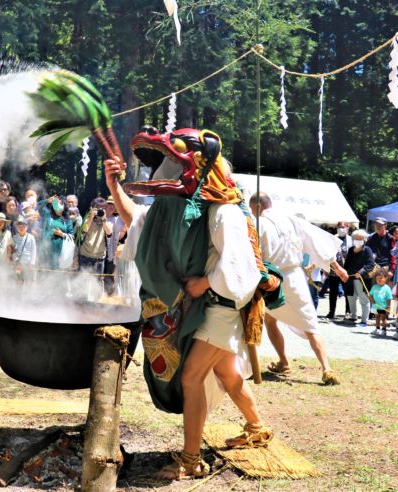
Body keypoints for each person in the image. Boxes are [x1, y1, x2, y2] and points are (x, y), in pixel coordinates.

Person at [103, 128, 284, 481]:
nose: (163, 170)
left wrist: (206, 282)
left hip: (222, 306)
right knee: (226, 373)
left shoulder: (222, 210)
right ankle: (256, 426)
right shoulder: (175, 206)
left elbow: (239, 265)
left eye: (172, 161)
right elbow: (138, 220)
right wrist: (114, 185)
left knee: (191, 377)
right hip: (207, 306)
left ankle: (190, 460)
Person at [249, 192, 348, 385]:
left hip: (272, 279)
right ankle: (319, 366)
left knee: (271, 319)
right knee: (307, 325)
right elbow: (316, 243)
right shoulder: (291, 220)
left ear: (258, 207)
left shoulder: (257, 225)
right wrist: (337, 267)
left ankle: (303, 364)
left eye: (253, 210)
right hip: (293, 278)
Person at [343, 229, 375, 326]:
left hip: (362, 279)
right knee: (351, 298)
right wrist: (344, 273)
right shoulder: (351, 250)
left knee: (363, 299)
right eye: (356, 238)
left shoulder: (367, 250)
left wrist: (361, 272)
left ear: (364, 239)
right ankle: (353, 316)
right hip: (350, 278)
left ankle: (364, 320)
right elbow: (347, 264)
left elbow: (371, 264)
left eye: (360, 238)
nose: (358, 240)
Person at [78, 197, 113, 279]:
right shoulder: (87, 219)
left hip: (99, 258)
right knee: (83, 282)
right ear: (92, 209)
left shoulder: (107, 221)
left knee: (98, 283)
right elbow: (83, 231)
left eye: (103, 208)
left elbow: (109, 233)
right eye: (98, 209)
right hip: (85, 256)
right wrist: (91, 217)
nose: (100, 211)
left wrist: (103, 220)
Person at [37, 196, 74, 269]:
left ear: (64, 205)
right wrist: (47, 201)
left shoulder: (67, 220)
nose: (58, 205)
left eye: (60, 203)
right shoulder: (47, 215)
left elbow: (72, 236)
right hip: (45, 250)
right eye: (56, 203)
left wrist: (62, 234)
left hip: (60, 252)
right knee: (44, 274)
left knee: (57, 274)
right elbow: (37, 206)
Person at [104, 196, 125, 296]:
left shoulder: (118, 219)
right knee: (96, 275)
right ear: (105, 205)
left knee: (109, 275)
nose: (112, 206)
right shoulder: (96, 216)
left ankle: (108, 297)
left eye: (114, 204)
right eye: (110, 204)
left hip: (111, 253)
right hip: (97, 253)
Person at [11, 215, 37, 282]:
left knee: (29, 280)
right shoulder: (14, 238)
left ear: (27, 227)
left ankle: (29, 292)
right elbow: (13, 251)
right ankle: (19, 292)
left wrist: (32, 263)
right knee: (18, 280)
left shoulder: (31, 237)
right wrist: (15, 259)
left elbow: (33, 251)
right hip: (18, 264)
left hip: (28, 264)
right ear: (16, 228)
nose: (21, 228)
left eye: (23, 226)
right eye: (19, 227)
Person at [369, 270, 393, 336]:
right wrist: (371, 300)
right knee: (377, 317)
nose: (379, 280)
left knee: (383, 318)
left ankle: (384, 330)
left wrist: (388, 307)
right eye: (377, 279)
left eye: (381, 278)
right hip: (375, 306)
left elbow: (389, 298)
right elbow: (370, 295)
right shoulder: (374, 287)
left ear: (385, 278)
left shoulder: (387, 288)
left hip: (383, 307)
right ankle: (377, 329)